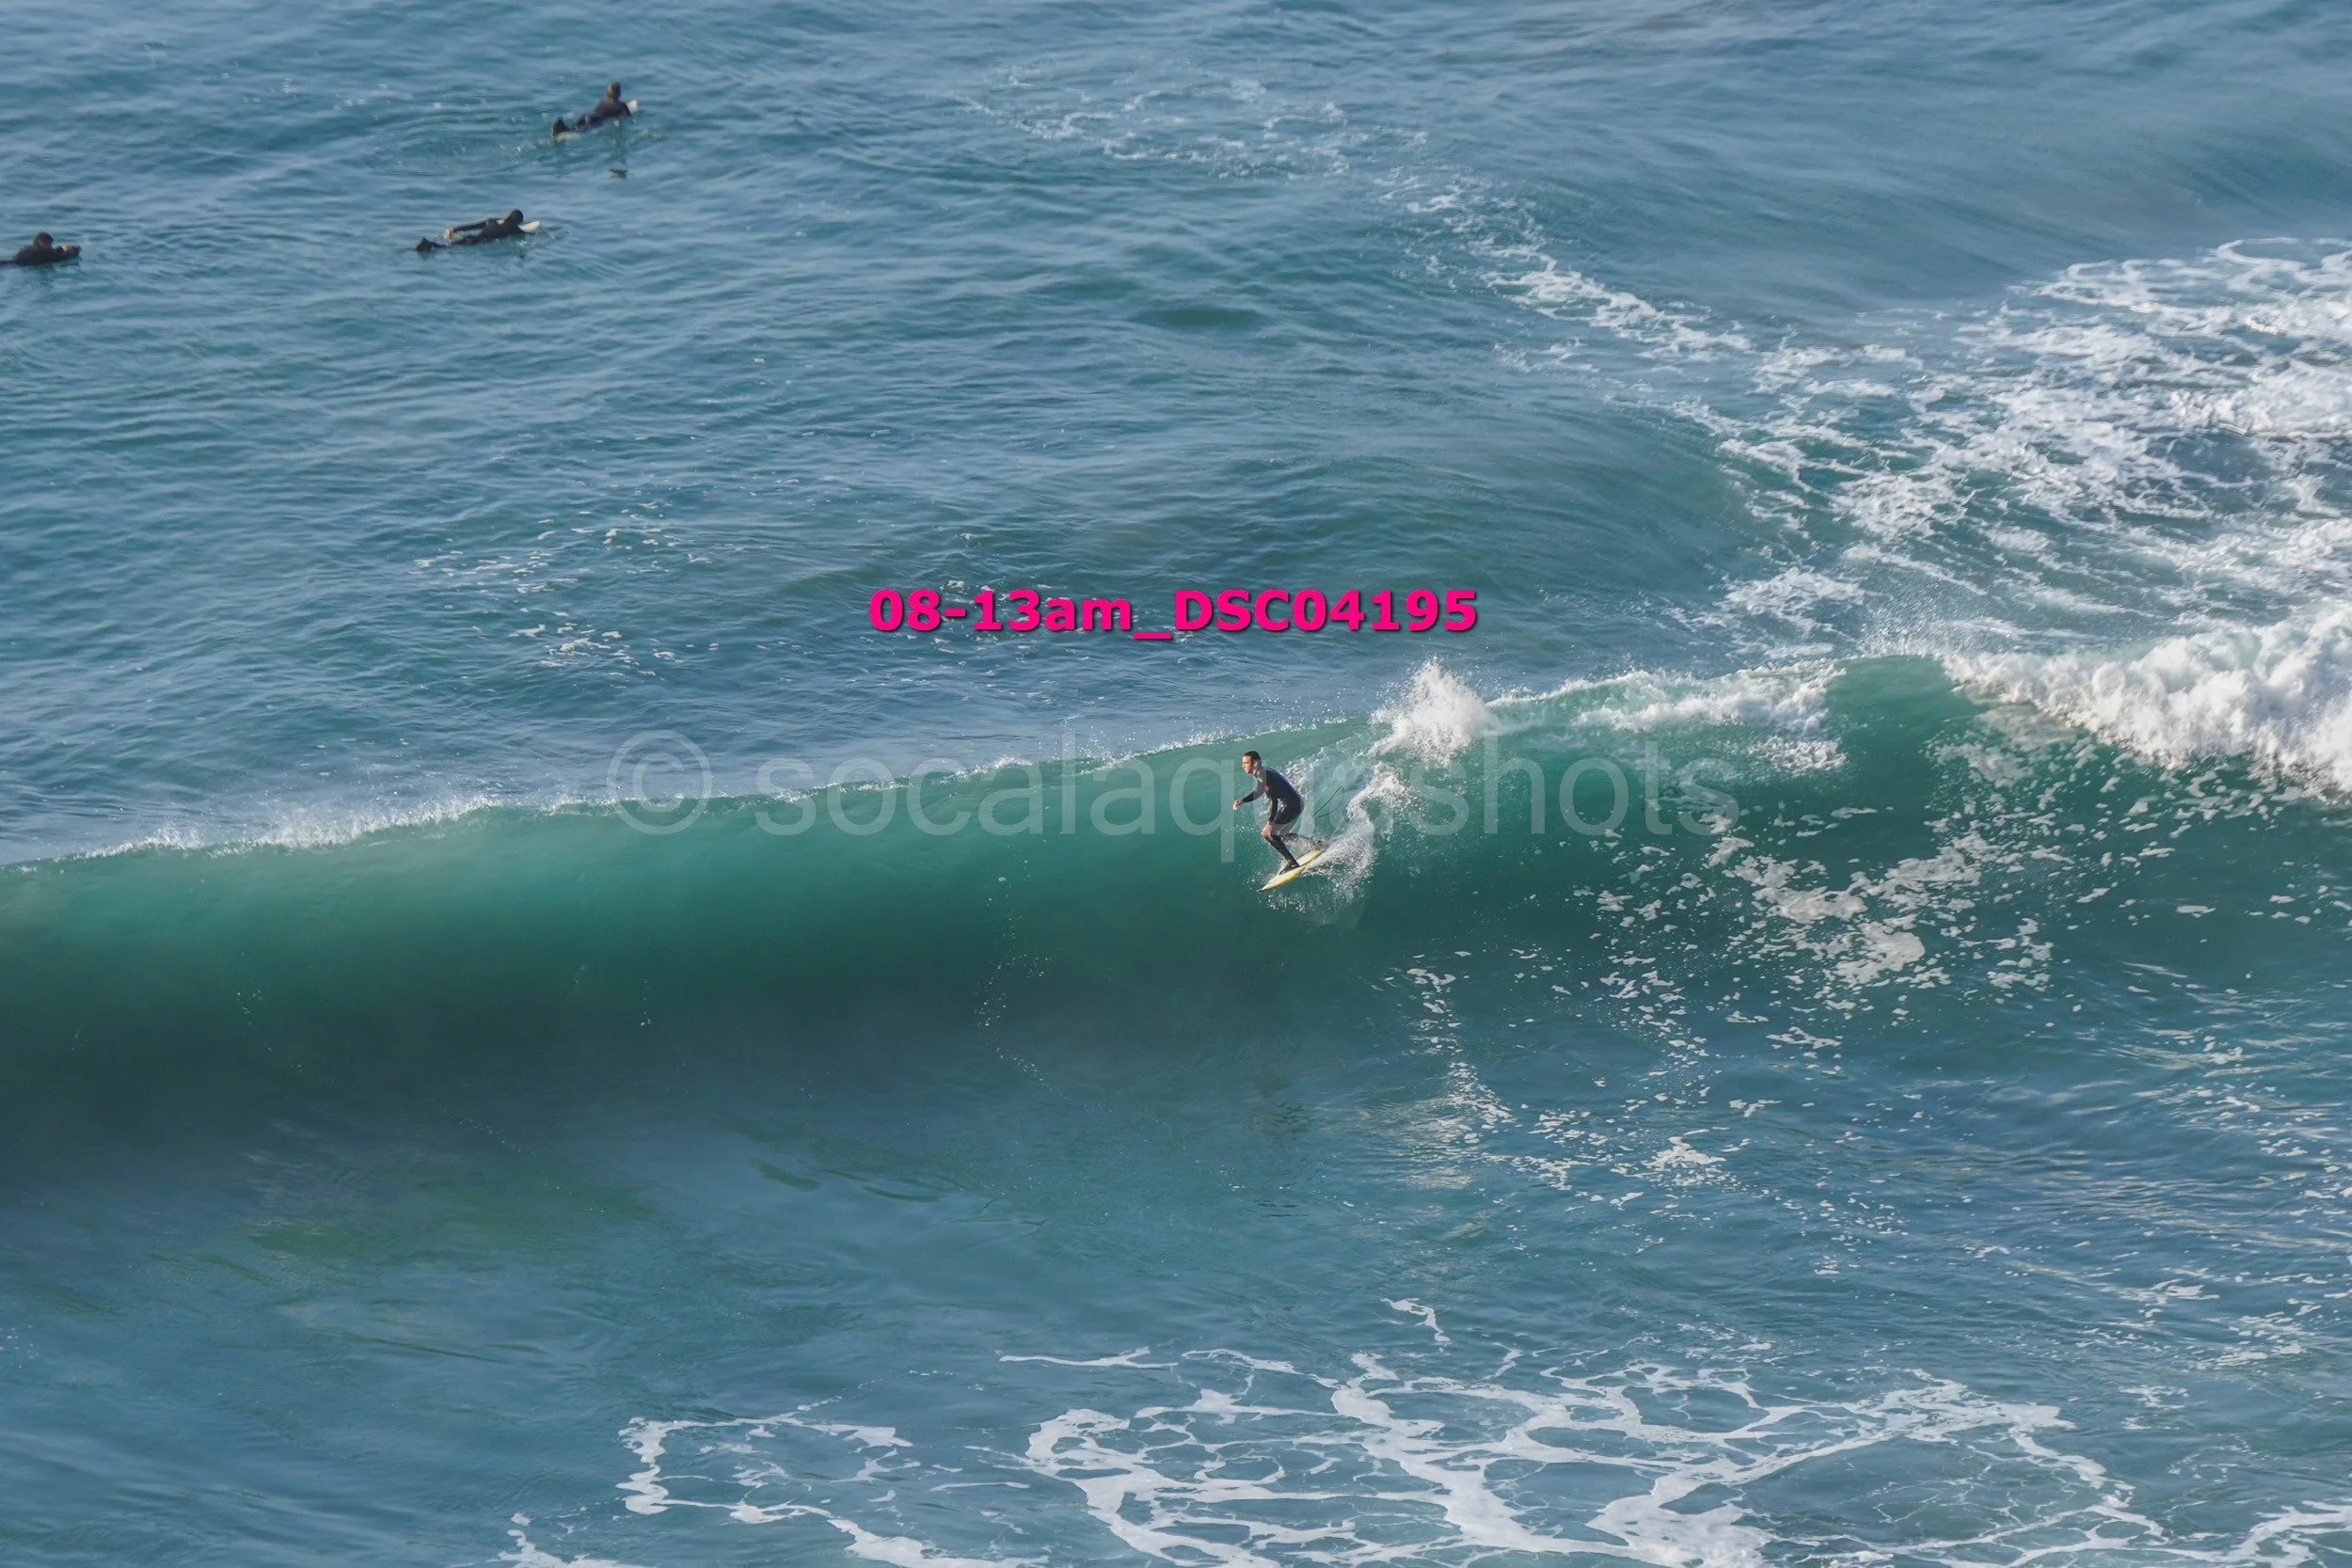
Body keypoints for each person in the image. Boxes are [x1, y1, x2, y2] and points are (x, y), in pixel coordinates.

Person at [1233, 751, 1318, 873]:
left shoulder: (1263, 775)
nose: (1243, 766)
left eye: (1246, 763)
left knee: (1268, 834)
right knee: (1279, 835)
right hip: (1296, 802)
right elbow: (1258, 791)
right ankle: (1314, 844)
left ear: (1255, 763)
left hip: (1292, 805)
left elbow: (1273, 801)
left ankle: (1292, 863)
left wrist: (1269, 823)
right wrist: (1243, 800)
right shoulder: (1263, 771)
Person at [415, 210, 529, 252]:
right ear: (517, 222)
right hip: (478, 243)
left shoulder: (492, 221)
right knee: (446, 248)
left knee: (448, 246)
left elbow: (474, 226)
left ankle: (428, 245)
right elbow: (527, 233)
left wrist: (454, 229)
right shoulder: (513, 228)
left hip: (471, 237)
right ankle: (429, 246)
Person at [554, 82, 632, 135]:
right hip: (597, 120)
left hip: (587, 115)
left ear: (607, 93)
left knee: (574, 127)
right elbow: (627, 116)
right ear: (619, 93)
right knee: (580, 131)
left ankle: (562, 128)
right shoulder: (621, 105)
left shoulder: (602, 101)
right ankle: (565, 131)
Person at [8, 232, 79, 267]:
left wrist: (61, 248)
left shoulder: (28, 248)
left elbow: (51, 252)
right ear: (41, 243)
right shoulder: (43, 253)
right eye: (49, 244)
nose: (51, 247)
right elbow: (62, 257)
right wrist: (72, 250)